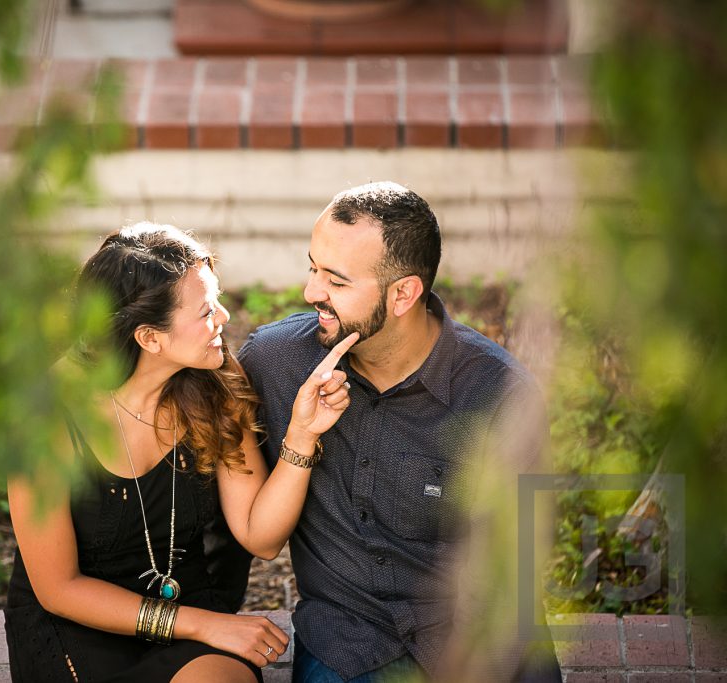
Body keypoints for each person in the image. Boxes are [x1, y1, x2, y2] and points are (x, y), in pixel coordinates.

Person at [4, 222, 359, 682]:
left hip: (189, 614)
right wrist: (207, 625)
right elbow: (59, 588)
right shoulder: (46, 416)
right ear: (150, 339)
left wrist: (302, 436)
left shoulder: (212, 382)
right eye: (206, 311)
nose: (225, 319)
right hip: (78, 622)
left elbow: (261, 536)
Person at [238, 182, 561, 682]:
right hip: (348, 641)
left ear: (404, 294)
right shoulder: (275, 364)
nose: (310, 293)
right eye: (312, 268)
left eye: (336, 282)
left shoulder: (498, 395)